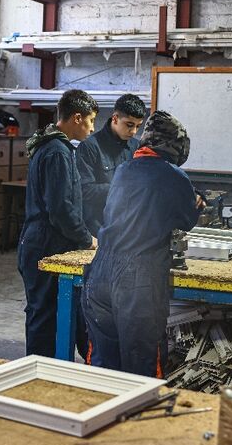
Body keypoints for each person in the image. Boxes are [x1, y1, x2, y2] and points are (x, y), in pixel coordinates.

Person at [82, 110, 201, 377]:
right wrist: (196, 203)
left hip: (99, 273)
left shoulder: (124, 169)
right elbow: (187, 220)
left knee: (103, 366)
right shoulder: (174, 176)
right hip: (137, 281)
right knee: (141, 367)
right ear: (176, 148)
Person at [18, 89, 98, 358]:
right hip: (45, 243)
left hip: (42, 240)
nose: (92, 128)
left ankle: (47, 369)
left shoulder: (52, 146)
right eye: (91, 120)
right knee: (44, 316)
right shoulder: (57, 152)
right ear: (77, 118)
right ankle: (38, 375)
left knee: (49, 312)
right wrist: (87, 239)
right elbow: (61, 209)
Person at [76, 94, 146, 236]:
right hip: (98, 230)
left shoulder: (136, 146)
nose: (133, 132)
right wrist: (121, 188)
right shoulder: (89, 147)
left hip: (128, 229)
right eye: (129, 125)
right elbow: (84, 191)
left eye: (138, 126)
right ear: (115, 118)